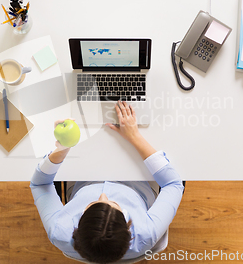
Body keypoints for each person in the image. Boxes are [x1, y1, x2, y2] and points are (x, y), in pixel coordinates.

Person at [30, 101, 184, 263]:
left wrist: (61, 148)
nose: (103, 195)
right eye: (114, 204)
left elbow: (40, 184)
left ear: (77, 227)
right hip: (138, 178)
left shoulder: (60, 231)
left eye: (93, 203)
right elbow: (173, 184)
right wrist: (134, 136)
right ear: (128, 227)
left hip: (84, 174)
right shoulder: (146, 232)